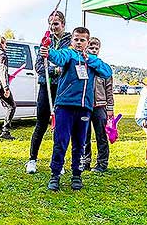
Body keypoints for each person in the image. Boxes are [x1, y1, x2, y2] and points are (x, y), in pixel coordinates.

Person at [39, 27, 112, 191]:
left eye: (82, 40)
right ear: (72, 40)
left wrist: (90, 60)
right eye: (76, 39)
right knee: (61, 141)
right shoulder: (68, 54)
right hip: (64, 106)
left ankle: (76, 174)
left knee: (80, 143)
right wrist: (48, 52)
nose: (79, 43)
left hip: (84, 108)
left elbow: (107, 72)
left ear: (88, 42)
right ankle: (55, 174)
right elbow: (58, 57)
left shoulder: (92, 60)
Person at [25, 11, 72, 174]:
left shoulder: (70, 42)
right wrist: (54, 70)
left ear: (63, 24)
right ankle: (32, 159)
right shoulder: (46, 41)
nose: (53, 27)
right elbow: (39, 66)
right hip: (46, 87)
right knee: (41, 123)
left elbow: (69, 65)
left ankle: (59, 162)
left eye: (56, 23)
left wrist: (61, 69)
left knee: (60, 125)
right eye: (51, 24)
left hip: (63, 88)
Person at [79, 37, 114, 173]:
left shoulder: (103, 68)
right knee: (84, 135)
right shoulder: (82, 66)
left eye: (96, 48)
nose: (93, 50)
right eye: (91, 48)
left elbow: (109, 90)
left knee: (101, 136)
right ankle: (85, 161)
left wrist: (110, 108)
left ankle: (102, 163)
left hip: (100, 106)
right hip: (85, 106)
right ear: (86, 47)